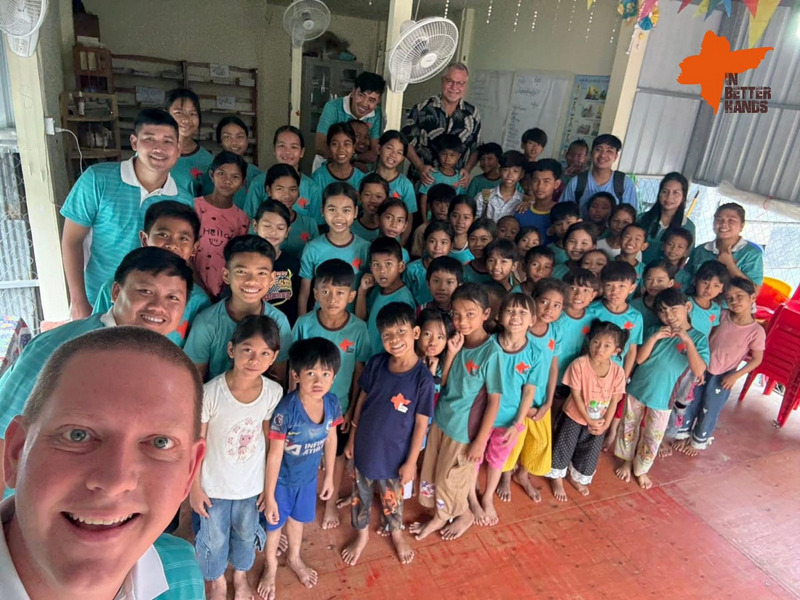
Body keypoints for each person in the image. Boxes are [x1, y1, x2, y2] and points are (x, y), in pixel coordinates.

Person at [1, 327, 206, 599]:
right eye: (78, 435)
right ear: (16, 453)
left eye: (160, 443)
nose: (115, 482)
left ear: (189, 473)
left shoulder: (182, 574)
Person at [0, 247, 193, 494]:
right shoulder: (65, 348)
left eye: (172, 298)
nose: (158, 306)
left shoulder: (150, 354)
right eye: (145, 291)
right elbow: (4, 428)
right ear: (116, 292)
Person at [60, 108, 193, 318]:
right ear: (134, 143)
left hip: (152, 311)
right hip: (98, 303)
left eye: (167, 141)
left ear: (178, 148)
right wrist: (78, 301)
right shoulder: (97, 180)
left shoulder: (183, 199)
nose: (159, 148)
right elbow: (72, 241)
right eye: (149, 139)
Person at [190, 316, 283, 600]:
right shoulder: (210, 394)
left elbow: (273, 446)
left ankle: (240, 576)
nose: (255, 359)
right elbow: (197, 444)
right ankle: (217, 580)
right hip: (213, 487)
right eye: (248, 350)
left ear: (274, 357)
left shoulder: (273, 393)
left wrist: (269, 492)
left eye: (265, 353)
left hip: (250, 488)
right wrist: (193, 488)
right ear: (231, 350)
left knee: (245, 534)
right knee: (214, 537)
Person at [341, 303, 435, 565]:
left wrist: (411, 462)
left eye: (401, 332)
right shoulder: (376, 363)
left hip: (395, 456)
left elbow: (420, 424)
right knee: (360, 495)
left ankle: (396, 534)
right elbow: (362, 399)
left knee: (393, 501)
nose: (395, 340)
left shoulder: (423, 380)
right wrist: (351, 439)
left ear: (415, 333)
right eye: (387, 335)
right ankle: (361, 536)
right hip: (365, 447)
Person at [410, 284, 503, 541]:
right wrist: (450, 353)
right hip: (442, 419)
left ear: (485, 314)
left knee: (452, 479)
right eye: (457, 314)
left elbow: (494, 402)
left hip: (463, 431)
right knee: (433, 473)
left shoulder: (491, 352)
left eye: (470, 314)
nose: (462, 321)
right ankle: (445, 513)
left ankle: (454, 516)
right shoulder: (456, 342)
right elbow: (447, 382)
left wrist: (480, 442)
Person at [259, 338, 342, 599]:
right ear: (296, 375)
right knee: (274, 527)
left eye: (325, 373)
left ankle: (294, 558)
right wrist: (269, 495)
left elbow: (331, 438)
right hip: (282, 481)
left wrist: (328, 476)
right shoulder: (287, 411)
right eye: (310, 373)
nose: (318, 381)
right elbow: (274, 456)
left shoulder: (331, 403)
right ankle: (270, 566)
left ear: (334, 376)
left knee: (297, 522)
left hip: (307, 480)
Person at [292, 258, 370, 529]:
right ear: (315, 294)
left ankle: (330, 504)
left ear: (351, 295)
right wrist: (293, 406)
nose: (332, 298)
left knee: (335, 458)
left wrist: (350, 411)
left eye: (340, 292)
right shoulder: (304, 324)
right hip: (304, 407)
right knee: (303, 455)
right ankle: (298, 504)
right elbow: (295, 367)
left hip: (340, 408)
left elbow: (360, 374)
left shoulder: (358, 329)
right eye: (325, 291)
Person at [614, 288, 709, 490]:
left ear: (688, 307)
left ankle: (642, 469)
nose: (669, 316)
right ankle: (627, 460)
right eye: (663, 311)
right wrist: (655, 337)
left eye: (674, 309)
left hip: (664, 396)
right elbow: (639, 359)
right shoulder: (656, 330)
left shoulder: (699, 338)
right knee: (628, 427)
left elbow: (699, 369)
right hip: (639, 387)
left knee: (653, 435)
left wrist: (688, 341)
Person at [91, 200, 210, 348]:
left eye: (183, 238)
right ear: (144, 239)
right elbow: (95, 332)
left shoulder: (199, 300)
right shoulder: (116, 287)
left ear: (194, 248)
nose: (172, 244)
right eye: (163, 234)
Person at [673, 277, 765, 455]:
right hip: (703, 367)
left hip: (724, 375)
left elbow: (757, 359)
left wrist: (735, 375)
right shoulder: (721, 315)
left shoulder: (756, 331)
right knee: (690, 400)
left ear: (752, 298)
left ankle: (698, 439)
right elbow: (709, 336)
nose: (734, 301)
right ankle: (682, 433)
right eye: (729, 298)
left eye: (740, 296)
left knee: (710, 408)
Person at [184, 235, 292, 382]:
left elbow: (278, 380)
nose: (252, 281)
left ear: (272, 279)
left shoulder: (279, 321)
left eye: (261, 273)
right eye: (241, 272)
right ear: (226, 275)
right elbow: (194, 381)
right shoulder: (207, 322)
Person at [498, 278, 564, 504]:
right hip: (515, 403)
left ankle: (522, 474)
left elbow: (553, 367)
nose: (550, 309)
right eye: (544, 302)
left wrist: (547, 401)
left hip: (539, 399)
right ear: (533, 303)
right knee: (511, 442)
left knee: (538, 442)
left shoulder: (555, 332)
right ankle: (505, 477)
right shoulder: (516, 334)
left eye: (557, 305)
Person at [547, 321, 627, 501]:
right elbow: (575, 395)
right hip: (574, 416)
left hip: (598, 421)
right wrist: (588, 420)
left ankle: (575, 477)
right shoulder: (579, 365)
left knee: (589, 451)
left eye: (607, 346)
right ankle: (557, 478)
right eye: (596, 342)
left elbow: (615, 399)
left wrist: (605, 424)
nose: (600, 349)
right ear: (589, 341)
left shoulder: (617, 372)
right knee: (564, 446)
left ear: (617, 351)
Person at [478, 293, 539, 526]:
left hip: (509, 420)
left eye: (522, 312)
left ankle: (487, 497)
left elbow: (528, 392)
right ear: (499, 316)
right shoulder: (487, 344)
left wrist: (517, 423)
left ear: (532, 319)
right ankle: (469, 494)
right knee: (472, 457)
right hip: (481, 415)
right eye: (510, 311)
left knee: (497, 460)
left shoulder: (535, 354)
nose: (516, 316)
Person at [586, 261, 643, 450]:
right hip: (590, 372)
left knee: (606, 411)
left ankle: (597, 444)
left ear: (632, 288)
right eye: (609, 286)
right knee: (585, 409)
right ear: (601, 285)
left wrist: (623, 378)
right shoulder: (593, 310)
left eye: (621, 287)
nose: (614, 291)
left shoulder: (635, 317)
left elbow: (632, 350)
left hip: (615, 376)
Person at [402, 63, 482, 188]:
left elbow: (476, 148)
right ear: (442, 81)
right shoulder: (422, 109)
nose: (454, 87)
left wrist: (467, 170)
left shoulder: (472, 114)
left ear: (465, 85)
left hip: (454, 185)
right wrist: (420, 166)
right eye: (450, 81)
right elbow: (405, 142)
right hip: (422, 181)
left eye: (460, 83)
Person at [297, 183, 370, 316]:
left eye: (346, 210)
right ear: (322, 211)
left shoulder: (365, 248)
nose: (339, 216)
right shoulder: (312, 248)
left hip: (353, 322)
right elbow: (304, 294)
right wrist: (302, 324)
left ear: (355, 212)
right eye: (332, 209)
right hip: (320, 321)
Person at [193, 151, 250, 297]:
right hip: (191, 286)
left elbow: (237, 258)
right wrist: (201, 290)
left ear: (242, 183)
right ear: (212, 175)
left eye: (235, 177)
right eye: (221, 173)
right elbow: (184, 252)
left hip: (224, 293)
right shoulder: (194, 208)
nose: (227, 181)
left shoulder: (242, 219)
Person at [246, 126, 323, 226]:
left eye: (294, 147)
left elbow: (316, 226)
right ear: (274, 149)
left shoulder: (312, 189)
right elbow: (249, 221)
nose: (287, 152)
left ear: (302, 152)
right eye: (282, 146)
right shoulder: (258, 183)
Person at [356, 238, 416, 357]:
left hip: (385, 364)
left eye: (388, 264)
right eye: (376, 265)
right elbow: (362, 319)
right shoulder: (378, 290)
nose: (382, 270)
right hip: (370, 360)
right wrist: (362, 292)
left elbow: (402, 343)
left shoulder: (403, 300)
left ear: (401, 266)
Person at [314, 72, 386, 169]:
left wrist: (352, 159)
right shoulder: (333, 107)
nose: (364, 104)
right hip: (327, 167)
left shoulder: (377, 114)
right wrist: (344, 161)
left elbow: (374, 153)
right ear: (353, 91)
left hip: (358, 172)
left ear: (378, 101)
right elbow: (320, 145)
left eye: (372, 100)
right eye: (361, 95)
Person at [686, 202, 764, 286]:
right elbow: (686, 279)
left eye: (731, 220)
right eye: (719, 219)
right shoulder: (701, 250)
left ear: (742, 226)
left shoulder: (751, 254)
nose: (723, 224)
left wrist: (730, 265)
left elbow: (754, 291)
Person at [561, 134, 638, 215]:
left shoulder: (625, 184)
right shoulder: (576, 182)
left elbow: (630, 218)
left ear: (615, 157)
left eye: (609, 151)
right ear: (591, 154)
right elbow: (563, 214)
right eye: (598, 149)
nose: (603, 155)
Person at [254, 200, 302, 326]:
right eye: (267, 226)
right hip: (252, 327)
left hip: (284, 328)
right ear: (255, 226)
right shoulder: (245, 263)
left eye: (280, 228)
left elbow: (297, 300)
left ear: (287, 232)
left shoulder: (293, 264)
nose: (273, 232)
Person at [201, 115, 262, 210]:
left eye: (240, 137)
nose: (234, 142)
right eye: (227, 137)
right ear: (220, 141)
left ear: (247, 141)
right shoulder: (213, 171)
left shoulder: (255, 174)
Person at [262, 164, 319, 259]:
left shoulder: (309, 224)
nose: (287, 195)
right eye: (280, 189)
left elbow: (316, 256)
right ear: (269, 190)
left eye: (292, 189)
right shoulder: (260, 224)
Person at [556, 269, 601, 388]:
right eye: (573, 288)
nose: (578, 295)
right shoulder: (554, 316)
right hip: (550, 375)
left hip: (576, 379)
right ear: (563, 290)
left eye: (585, 290)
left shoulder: (593, 320)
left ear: (593, 295)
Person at [638, 173, 696, 264]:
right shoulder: (642, 219)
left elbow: (683, 259)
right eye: (665, 191)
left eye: (675, 193)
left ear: (683, 197)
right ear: (659, 193)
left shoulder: (688, 227)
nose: (669, 197)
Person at [165, 88, 213, 197]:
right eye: (179, 113)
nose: (186, 119)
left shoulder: (207, 161)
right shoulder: (150, 152)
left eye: (192, 114)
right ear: (166, 114)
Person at [404, 220, 455, 306]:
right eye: (432, 241)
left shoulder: (454, 270)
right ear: (425, 243)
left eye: (443, 242)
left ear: (451, 246)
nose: (437, 247)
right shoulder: (411, 270)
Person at [374, 131, 418, 229]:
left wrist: (400, 244)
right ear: (379, 149)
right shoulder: (365, 179)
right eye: (389, 148)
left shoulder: (405, 185)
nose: (393, 154)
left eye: (399, 152)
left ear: (402, 158)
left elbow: (408, 221)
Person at [418, 134, 467, 221]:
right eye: (444, 154)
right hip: (432, 219)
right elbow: (424, 198)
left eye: (452, 155)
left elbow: (461, 201)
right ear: (438, 153)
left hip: (451, 221)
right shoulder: (432, 174)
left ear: (459, 156)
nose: (447, 159)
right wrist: (424, 220)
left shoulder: (460, 178)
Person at [515, 159, 563, 244]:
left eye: (546, 181)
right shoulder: (521, 211)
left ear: (556, 184)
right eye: (536, 180)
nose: (540, 186)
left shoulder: (561, 214)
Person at [312, 122, 365, 193]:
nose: (341, 149)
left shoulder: (361, 179)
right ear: (329, 147)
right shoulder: (319, 177)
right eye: (335, 144)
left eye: (346, 144)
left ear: (353, 147)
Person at [475, 150, 526, 221]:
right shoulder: (483, 197)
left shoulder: (522, 202)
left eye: (515, 171)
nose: (509, 175)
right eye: (506, 170)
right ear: (499, 170)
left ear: (521, 174)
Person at [630, 260, 678, 333]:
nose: (653, 284)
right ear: (644, 279)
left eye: (660, 280)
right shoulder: (633, 305)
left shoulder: (676, 308)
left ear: (670, 283)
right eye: (649, 279)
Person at [410, 184, 456, 258]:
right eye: (438, 204)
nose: (443, 209)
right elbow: (416, 256)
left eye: (447, 205)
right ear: (429, 206)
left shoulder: (454, 229)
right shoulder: (421, 230)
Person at [687, 260, 729, 337]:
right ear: (695, 281)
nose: (708, 289)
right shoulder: (685, 303)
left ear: (721, 289)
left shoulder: (716, 309)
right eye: (705, 283)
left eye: (716, 286)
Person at [351, 173, 388, 242]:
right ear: (359, 197)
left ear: (386, 199)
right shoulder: (349, 229)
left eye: (378, 196)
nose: (372, 200)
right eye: (367, 195)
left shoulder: (390, 230)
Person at [463, 218, 498, 284]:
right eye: (473, 239)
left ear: (495, 241)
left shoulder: (501, 271)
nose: (477, 244)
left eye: (484, 239)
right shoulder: (464, 272)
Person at [547, 201, 582, 266]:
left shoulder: (585, 249)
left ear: (579, 222)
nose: (564, 228)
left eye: (569, 223)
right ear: (553, 227)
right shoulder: (548, 251)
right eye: (559, 224)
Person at [616, 223, 650, 288]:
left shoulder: (644, 270)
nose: (631, 242)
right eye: (627, 237)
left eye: (637, 239)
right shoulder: (607, 262)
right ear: (619, 240)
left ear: (644, 246)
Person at [448, 194, 478, 265]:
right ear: (449, 216)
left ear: (473, 219)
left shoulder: (476, 246)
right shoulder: (439, 240)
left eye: (466, 217)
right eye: (455, 216)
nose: (460, 221)